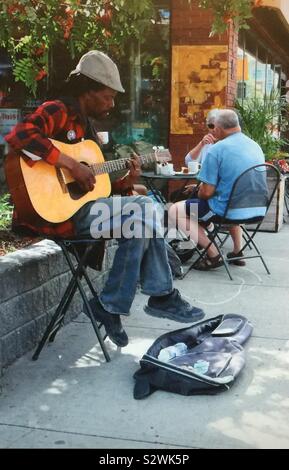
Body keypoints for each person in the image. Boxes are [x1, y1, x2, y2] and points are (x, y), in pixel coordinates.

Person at [5, 50, 205, 347]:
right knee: (143, 207)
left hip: (82, 211)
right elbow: (21, 134)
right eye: (108, 96)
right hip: (56, 216)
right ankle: (159, 296)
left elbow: (102, 192)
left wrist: (129, 180)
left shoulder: (88, 132)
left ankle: (111, 306)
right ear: (87, 91)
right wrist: (71, 164)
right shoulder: (58, 110)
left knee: (139, 216)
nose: (112, 104)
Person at [168, 109, 265, 270]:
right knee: (225, 199)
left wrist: (198, 191)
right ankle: (236, 251)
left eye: (213, 127)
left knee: (175, 210)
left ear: (218, 129)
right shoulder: (255, 146)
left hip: (228, 210)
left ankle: (213, 254)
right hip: (258, 208)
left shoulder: (217, 149)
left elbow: (206, 193)